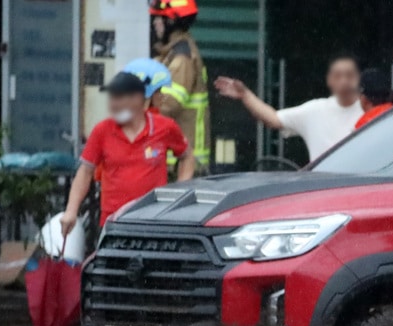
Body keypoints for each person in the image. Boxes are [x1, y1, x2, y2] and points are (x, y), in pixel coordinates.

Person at [59, 71, 194, 236]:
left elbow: (186, 156)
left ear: (138, 100)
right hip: (114, 222)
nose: (113, 105)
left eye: (119, 98)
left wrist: (178, 191)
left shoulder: (164, 127)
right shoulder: (103, 130)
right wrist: (71, 211)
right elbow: (85, 171)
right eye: (112, 98)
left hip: (154, 220)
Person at [214, 55, 363, 162]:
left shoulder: (373, 111)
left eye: (349, 75)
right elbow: (274, 119)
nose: (344, 81)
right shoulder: (315, 110)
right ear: (329, 80)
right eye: (338, 76)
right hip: (321, 189)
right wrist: (245, 95)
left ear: (358, 78)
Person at [149, 0, 209, 171]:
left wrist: (136, 108)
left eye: (159, 19)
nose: (155, 23)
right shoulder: (172, 53)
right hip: (179, 159)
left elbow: (169, 104)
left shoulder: (182, 58)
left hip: (181, 163)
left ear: (171, 22)